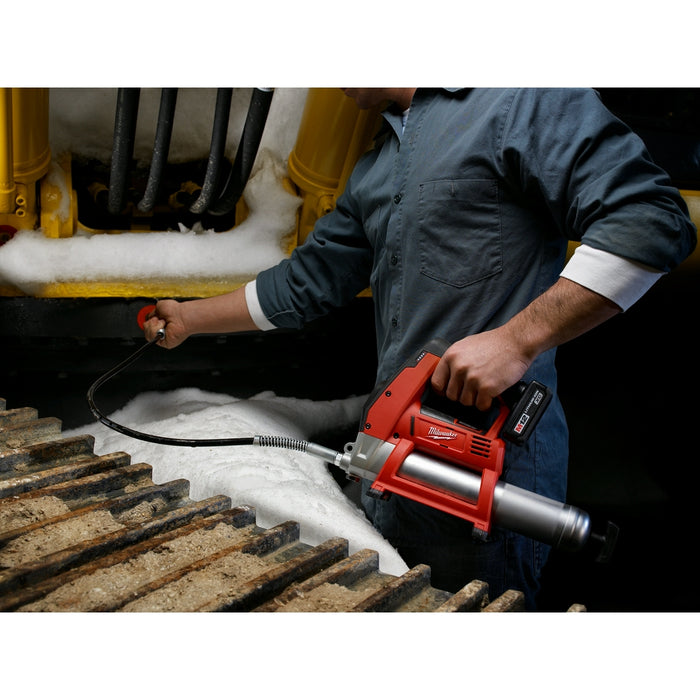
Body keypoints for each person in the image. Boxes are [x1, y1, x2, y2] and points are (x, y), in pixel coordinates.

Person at [144, 88, 696, 609]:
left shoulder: (519, 97)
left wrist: (516, 340)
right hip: (389, 467)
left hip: (484, 480)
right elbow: (306, 283)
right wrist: (189, 319)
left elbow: (649, 220)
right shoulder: (376, 166)